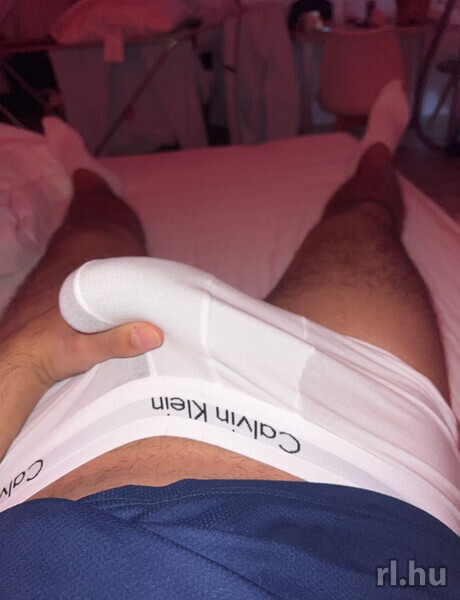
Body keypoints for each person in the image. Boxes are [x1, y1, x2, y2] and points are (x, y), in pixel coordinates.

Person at [0, 81, 458, 598]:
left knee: (89, 230)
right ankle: (376, 149)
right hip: (363, 485)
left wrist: (21, 365)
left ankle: (89, 178)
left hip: (47, 444)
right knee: (364, 219)